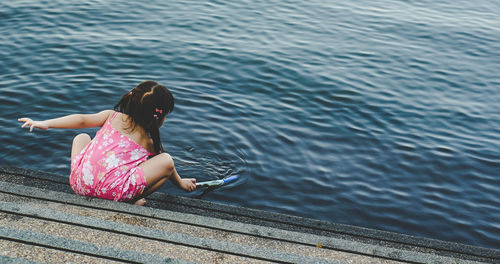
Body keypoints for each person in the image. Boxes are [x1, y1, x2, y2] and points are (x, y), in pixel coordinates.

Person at [18, 80, 196, 205]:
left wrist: (46, 123)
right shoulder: (149, 141)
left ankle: (99, 184)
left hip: (79, 184)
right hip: (110, 194)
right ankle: (130, 201)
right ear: (158, 117)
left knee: (81, 137)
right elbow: (167, 169)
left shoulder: (112, 116)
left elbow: (80, 120)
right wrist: (181, 183)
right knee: (166, 161)